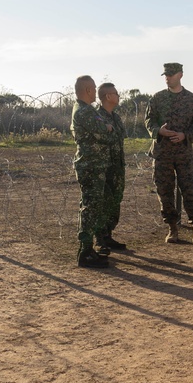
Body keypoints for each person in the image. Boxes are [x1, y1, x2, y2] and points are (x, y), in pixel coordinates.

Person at [145, 62, 193, 245]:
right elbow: (148, 121)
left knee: (190, 190)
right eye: (166, 75)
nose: (168, 77)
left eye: (171, 75)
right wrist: (159, 131)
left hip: (183, 153)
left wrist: (185, 135)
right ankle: (172, 228)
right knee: (165, 191)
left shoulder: (192, 100)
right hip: (162, 152)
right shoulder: (157, 99)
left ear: (180, 75)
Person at [69, 75, 113, 268]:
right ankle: (85, 251)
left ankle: (87, 250)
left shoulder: (84, 109)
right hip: (91, 165)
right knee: (90, 207)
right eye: (94, 89)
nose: (96, 92)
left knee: (91, 205)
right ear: (87, 91)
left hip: (93, 164)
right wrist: (107, 127)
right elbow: (103, 130)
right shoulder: (85, 111)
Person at [95, 82, 127, 255]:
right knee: (102, 202)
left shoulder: (116, 117)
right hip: (104, 167)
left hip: (117, 167)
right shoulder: (96, 117)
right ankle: (100, 238)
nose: (118, 96)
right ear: (108, 96)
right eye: (115, 93)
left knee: (115, 200)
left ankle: (108, 234)